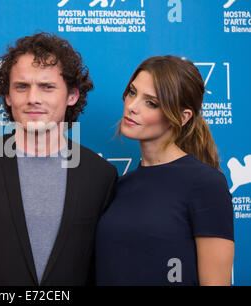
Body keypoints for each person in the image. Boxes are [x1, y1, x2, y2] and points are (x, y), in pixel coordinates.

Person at [0, 32, 117, 285]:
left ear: (72, 95)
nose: (33, 98)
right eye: (22, 86)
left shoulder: (101, 176)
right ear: (8, 97)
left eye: (47, 87)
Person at [95, 55, 234, 286]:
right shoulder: (121, 184)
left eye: (151, 102)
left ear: (181, 117)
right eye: (132, 92)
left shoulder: (206, 184)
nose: (132, 107)